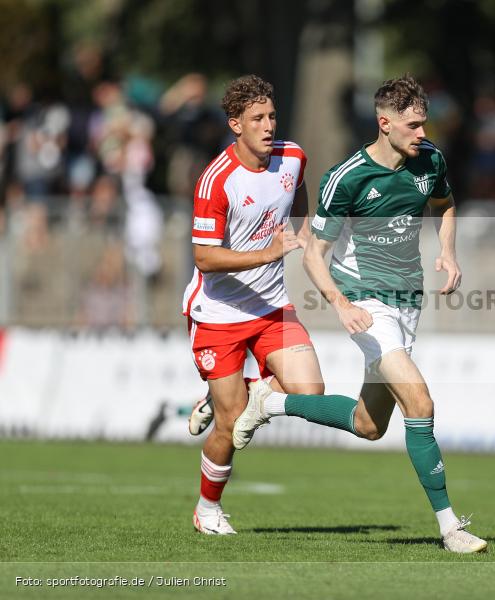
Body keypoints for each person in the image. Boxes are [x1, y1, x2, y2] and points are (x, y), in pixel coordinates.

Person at [231, 74, 487, 553]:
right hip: (367, 306)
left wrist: (449, 255)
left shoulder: (429, 160)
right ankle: (451, 527)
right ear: (384, 123)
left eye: (424, 124)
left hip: (409, 303)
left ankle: (270, 402)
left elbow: (446, 205)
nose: (422, 134)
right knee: (421, 403)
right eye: (412, 125)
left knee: (370, 426)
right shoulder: (346, 177)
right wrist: (342, 304)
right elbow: (312, 253)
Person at [183, 74, 358, 536]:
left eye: (272, 115)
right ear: (235, 125)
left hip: (271, 307)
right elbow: (203, 256)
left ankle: (248, 393)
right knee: (229, 423)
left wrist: (298, 227)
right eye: (257, 118)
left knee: (309, 391)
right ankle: (207, 510)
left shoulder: (292, 156)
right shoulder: (215, 181)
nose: (268, 125)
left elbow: (294, 186)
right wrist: (267, 252)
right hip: (218, 316)